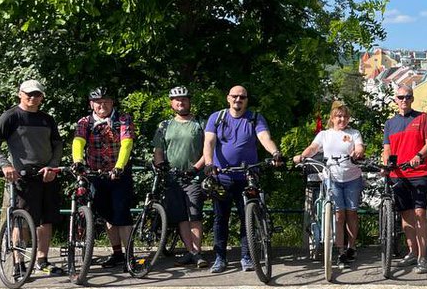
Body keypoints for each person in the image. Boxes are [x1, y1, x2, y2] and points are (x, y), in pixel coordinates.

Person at [201, 85, 284, 273]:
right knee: (220, 218)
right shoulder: (217, 117)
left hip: (247, 176)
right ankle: (220, 258)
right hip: (222, 176)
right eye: (235, 96)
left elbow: (264, 137)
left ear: (247, 100)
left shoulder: (255, 118)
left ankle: (247, 257)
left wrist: (275, 153)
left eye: (242, 97)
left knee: (247, 218)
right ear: (228, 98)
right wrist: (208, 163)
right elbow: (209, 142)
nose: (238, 100)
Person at [0, 79, 64, 275]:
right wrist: (5, 164)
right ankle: (19, 263)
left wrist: (53, 166)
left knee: (46, 220)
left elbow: (57, 145)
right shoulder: (11, 116)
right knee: (22, 221)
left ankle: (42, 260)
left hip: (46, 175)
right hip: (22, 176)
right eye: (28, 93)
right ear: (19, 94)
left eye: (37, 94)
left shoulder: (47, 119)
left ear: (42, 97)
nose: (32, 97)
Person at [294, 99, 366, 266]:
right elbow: (313, 148)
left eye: (345, 116)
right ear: (332, 118)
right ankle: (340, 250)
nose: (342, 120)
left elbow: (360, 147)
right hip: (332, 178)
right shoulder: (324, 135)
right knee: (339, 215)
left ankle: (351, 247)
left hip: (352, 178)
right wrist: (302, 156)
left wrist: (357, 152)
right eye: (338, 116)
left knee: (351, 213)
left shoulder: (354, 133)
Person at [71, 87, 135, 269]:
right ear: (91, 104)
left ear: (112, 102)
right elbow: (78, 141)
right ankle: (117, 253)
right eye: (98, 102)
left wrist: (119, 167)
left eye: (106, 101)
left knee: (122, 214)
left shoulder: (123, 119)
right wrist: (78, 161)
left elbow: (127, 143)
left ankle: (129, 256)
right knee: (107, 214)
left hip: (119, 174)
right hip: (96, 174)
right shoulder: (85, 122)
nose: (102, 105)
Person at [151, 86, 207, 267]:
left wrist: (196, 168)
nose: (180, 102)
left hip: (193, 177)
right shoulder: (164, 125)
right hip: (172, 178)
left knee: (194, 215)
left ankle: (197, 252)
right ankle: (190, 251)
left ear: (189, 101)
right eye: (177, 100)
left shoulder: (200, 123)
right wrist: (161, 166)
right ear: (171, 103)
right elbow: (158, 150)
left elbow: (209, 150)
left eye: (184, 99)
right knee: (181, 216)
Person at [382, 89, 427, 273]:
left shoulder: (422, 118)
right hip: (398, 175)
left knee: (420, 213)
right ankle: (412, 252)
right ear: (395, 100)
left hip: (419, 172)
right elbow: (386, 148)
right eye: (401, 97)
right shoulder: (390, 124)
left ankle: (422, 257)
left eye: (408, 97)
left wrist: (419, 155)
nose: (404, 100)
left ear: (412, 98)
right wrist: (386, 164)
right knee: (406, 217)